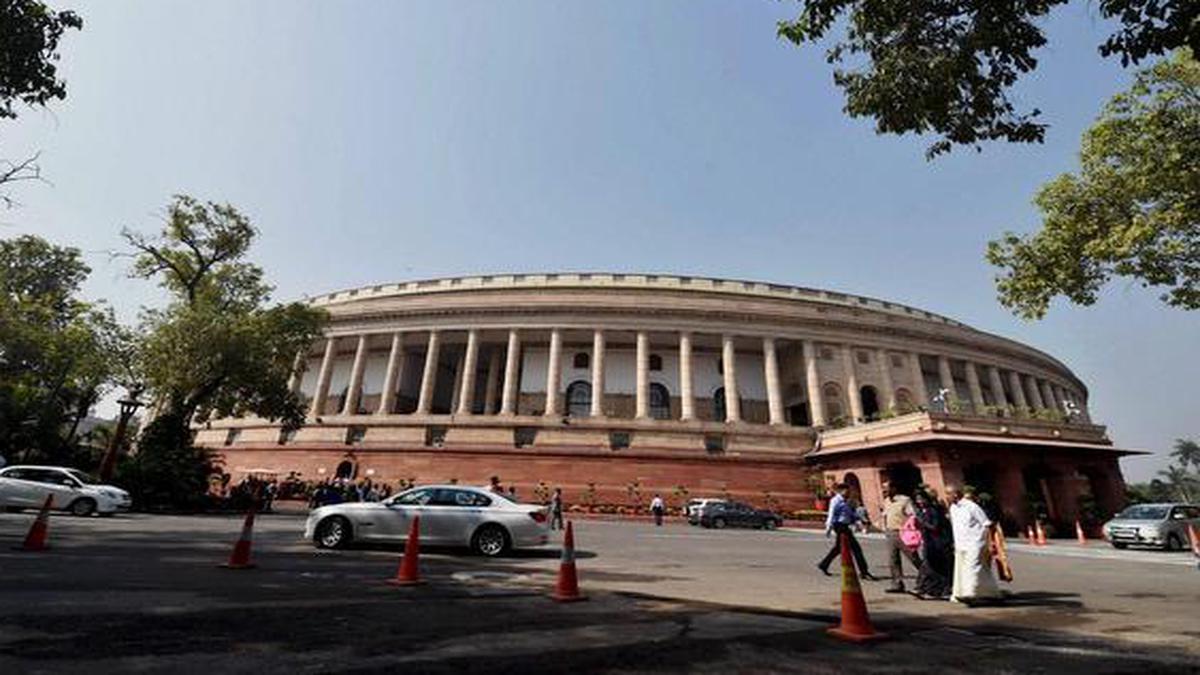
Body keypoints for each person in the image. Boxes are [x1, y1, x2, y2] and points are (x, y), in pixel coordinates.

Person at [948, 486, 1003, 605]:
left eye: (949, 494)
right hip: (961, 543)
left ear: (956, 494)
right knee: (966, 569)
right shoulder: (953, 508)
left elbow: (986, 524)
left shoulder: (972, 507)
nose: (947, 497)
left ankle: (970, 593)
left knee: (972, 567)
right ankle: (989, 592)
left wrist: (991, 542)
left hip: (975, 542)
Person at [817, 483, 877, 579]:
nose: (849, 493)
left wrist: (859, 520)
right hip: (840, 527)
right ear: (841, 491)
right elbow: (831, 513)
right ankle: (864, 571)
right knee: (856, 549)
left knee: (838, 548)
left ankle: (824, 564)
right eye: (847, 491)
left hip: (845, 526)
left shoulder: (846, 502)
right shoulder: (835, 500)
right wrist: (828, 527)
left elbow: (849, 514)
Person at [880, 482, 921, 593]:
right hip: (891, 532)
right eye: (883, 488)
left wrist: (910, 530)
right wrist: (884, 528)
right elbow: (885, 515)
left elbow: (912, 516)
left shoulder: (904, 500)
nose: (884, 490)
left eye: (886, 488)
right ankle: (897, 584)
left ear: (893, 488)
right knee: (893, 560)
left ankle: (926, 579)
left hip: (903, 533)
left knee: (913, 558)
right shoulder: (886, 501)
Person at [912, 491, 953, 599]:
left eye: (921, 499)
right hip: (929, 543)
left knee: (938, 568)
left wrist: (921, 522)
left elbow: (935, 527)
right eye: (917, 500)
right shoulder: (923, 511)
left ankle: (941, 590)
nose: (919, 502)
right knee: (932, 567)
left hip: (939, 543)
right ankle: (929, 589)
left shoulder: (933, 510)